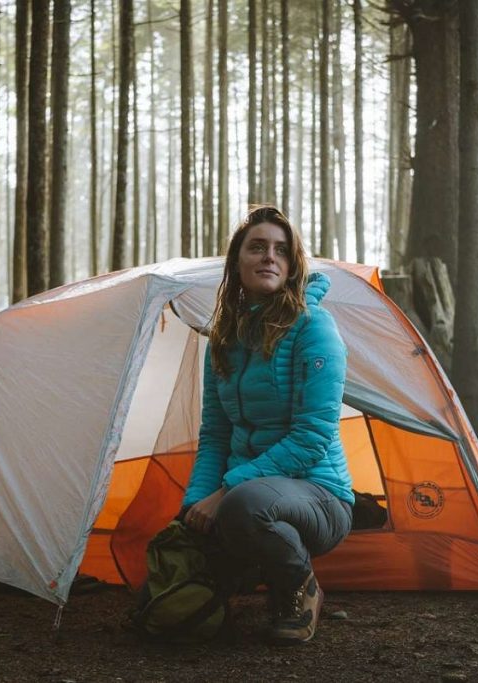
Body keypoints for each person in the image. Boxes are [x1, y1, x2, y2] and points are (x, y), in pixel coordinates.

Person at [180, 205, 354, 644]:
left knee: (241, 506)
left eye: (280, 250)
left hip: (321, 496)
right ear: (236, 262)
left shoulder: (315, 327)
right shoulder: (224, 338)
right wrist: (197, 502)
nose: (268, 257)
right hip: (251, 492)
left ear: (292, 265)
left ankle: (300, 587)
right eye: (256, 247)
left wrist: (226, 492)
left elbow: (313, 437)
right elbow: (216, 435)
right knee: (190, 540)